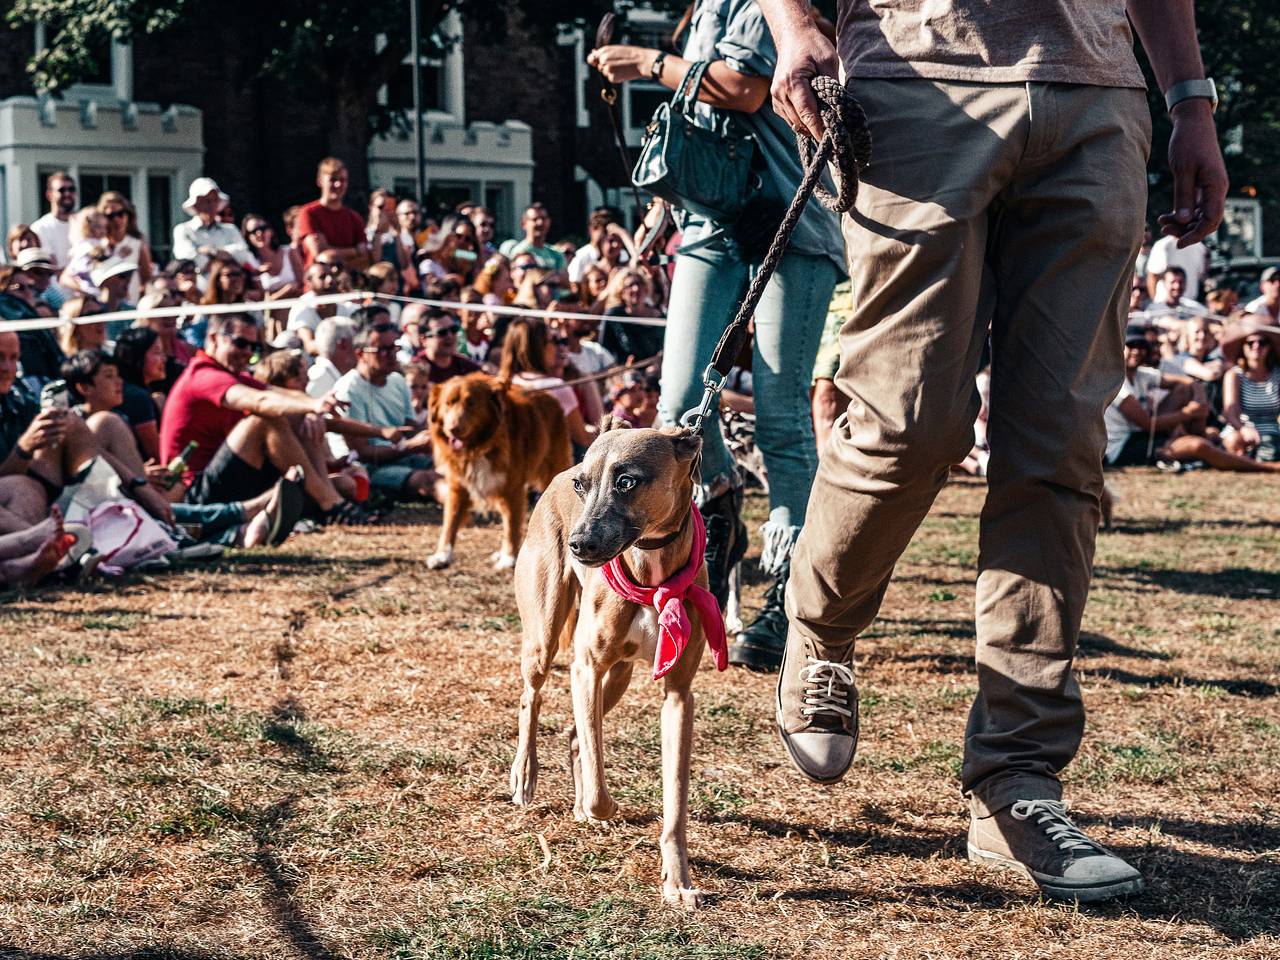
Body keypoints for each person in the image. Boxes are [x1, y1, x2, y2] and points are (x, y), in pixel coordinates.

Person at [754, 0, 1227, 901]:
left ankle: (1017, 781)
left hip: (1098, 95)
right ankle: (820, 627)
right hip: (912, 79)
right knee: (908, 425)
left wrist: (1190, 102)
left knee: (1059, 449)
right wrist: (789, 24)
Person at [591, 1, 846, 654]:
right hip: (708, 224)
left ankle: (793, 595)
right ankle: (724, 495)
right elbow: (707, 112)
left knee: (782, 418)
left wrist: (646, 63)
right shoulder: (703, 8)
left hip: (787, 222)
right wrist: (664, 199)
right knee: (678, 410)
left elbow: (745, 88)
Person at [159, 312, 361, 524]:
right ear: (213, 339)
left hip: (229, 480)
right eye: (240, 343)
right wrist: (313, 404)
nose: (247, 352)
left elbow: (282, 395)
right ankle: (330, 504)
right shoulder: (203, 375)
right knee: (266, 418)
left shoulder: (234, 375)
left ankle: (328, 499)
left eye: (253, 347)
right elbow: (261, 401)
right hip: (194, 494)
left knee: (345, 484)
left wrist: (311, 408)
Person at [332, 309, 436, 500]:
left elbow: (410, 428)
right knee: (426, 479)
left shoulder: (397, 380)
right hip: (369, 468)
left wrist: (434, 431)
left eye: (394, 348)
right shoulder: (348, 390)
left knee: (450, 467)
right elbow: (362, 452)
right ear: (360, 354)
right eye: (382, 350)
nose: (391, 355)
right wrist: (411, 446)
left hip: (403, 457)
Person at [498, 317, 596, 450]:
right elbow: (584, 440)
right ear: (539, 347)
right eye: (553, 341)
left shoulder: (502, 385)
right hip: (550, 467)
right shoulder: (557, 388)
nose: (557, 347)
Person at [1221, 319, 1280, 463]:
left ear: (1269, 347)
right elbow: (1230, 411)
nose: (1256, 346)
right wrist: (1243, 429)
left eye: (1262, 342)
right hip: (1242, 428)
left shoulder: (1277, 375)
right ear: (1243, 347)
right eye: (1250, 343)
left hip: (1271, 430)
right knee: (1233, 441)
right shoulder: (1235, 375)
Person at [296, 158, 368, 271]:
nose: (338, 184)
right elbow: (320, 253)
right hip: (319, 285)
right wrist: (355, 251)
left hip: (349, 285)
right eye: (333, 179)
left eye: (343, 180)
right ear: (320, 181)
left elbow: (365, 259)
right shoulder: (308, 213)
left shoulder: (355, 218)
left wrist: (333, 252)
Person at [171, 178, 254, 272]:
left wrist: (210, 251)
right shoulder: (183, 230)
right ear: (195, 205)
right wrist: (225, 257)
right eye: (207, 201)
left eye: (215, 200)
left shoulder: (231, 229)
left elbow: (243, 255)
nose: (211, 205)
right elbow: (187, 260)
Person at [111, 327, 168, 459]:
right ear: (137, 357)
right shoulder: (136, 397)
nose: (164, 359)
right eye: (157, 352)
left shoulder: (134, 392)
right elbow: (157, 454)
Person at [284, 254, 358, 355]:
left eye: (332, 275)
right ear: (309, 282)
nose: (330, 280)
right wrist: (342, 348)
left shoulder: (349, 308)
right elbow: (310, 346)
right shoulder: (302, 308)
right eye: (322, 277)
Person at [600, 267, 664, 363]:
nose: (636, 289)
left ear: (646, 288)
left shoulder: (659, 317)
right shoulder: (614, 317)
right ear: (621, 292)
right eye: (630, 285)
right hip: (625, 372)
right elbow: (604, 352)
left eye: (639, 283)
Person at [97, 191, 153, 295]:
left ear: (128, 214)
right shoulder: (97, 244)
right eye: (110, 216)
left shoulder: (137, 244)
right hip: (103, 305)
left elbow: (146, 278)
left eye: (120, 214)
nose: (116, 219)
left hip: (131, 305)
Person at [414, 307, 482, 384]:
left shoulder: (467, 368)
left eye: (453, 329)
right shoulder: (415, 371)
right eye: (441, 332)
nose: (449, 336)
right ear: (423, 339)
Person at [498, 204, 566, 274]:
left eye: (543, 218)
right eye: (534, 219)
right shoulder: (515, 251)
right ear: (523, 224)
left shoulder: (556, 255)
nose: (540, 223)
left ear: (549, 222)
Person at [31, 171, 78, 269]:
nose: (67, 194)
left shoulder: (85, 224)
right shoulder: (40, 228)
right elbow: (50, 267)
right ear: (49, 195)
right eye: (62, 190)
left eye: (71, 189)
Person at [567, 207, 627, 282]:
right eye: (600, 231)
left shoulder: (622, 254)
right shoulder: (581, 256)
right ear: (591, 229)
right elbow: (574, 283)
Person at [1146, 232, 1207, 303]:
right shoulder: (1162, 245)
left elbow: (1200, 274)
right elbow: (1152, 277)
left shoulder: (1200, 247)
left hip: (1190, 305)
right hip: (1164, 304)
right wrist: (1156, 303)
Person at [307, 318, 358, 398]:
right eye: (357, 343)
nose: (361, 349)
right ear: (342, 344)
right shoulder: (318, 381)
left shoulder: (336, 377)